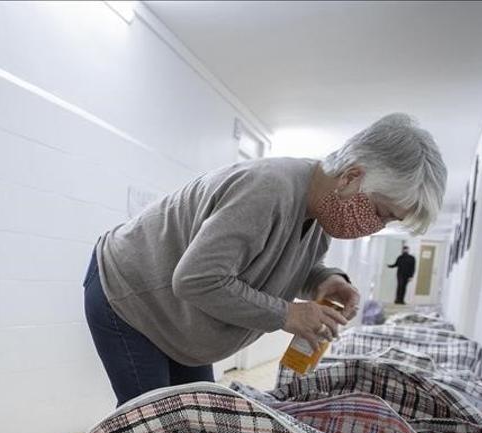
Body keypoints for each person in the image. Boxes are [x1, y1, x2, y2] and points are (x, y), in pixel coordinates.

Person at [86, 113, 446, 406]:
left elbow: (275, 257)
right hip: (131, 294)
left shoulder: (321, 210)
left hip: (176, 319)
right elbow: (196, 278)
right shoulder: (269, 188)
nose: (375, 226)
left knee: (195, 422)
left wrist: (324, 279)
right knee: (150, 430)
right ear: (352, 177)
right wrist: (288, 314)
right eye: (382, 213)